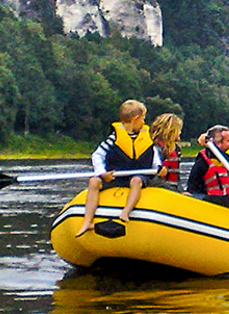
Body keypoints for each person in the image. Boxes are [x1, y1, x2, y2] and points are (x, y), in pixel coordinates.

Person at [77, 99, 161, 235]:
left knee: (136, 181)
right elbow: (97, 155)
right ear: (136, 118)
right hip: (116, 175)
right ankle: (87, 221)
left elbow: (155, 158)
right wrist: (102, 173)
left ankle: (126, 212)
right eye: (143, 118)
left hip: (137, 175)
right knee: (94, 182)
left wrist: (159, 168)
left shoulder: (147, 138)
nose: (144, 122)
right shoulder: (113, 138)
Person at [187, 124, 229, 202]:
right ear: (218, 144)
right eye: (228, 140)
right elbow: (193, 190)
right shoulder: (202, 163)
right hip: (214, 202)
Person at [148, 112, 183, 190]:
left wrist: (181, 191)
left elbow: (177, 178)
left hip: (173, 188)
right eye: (179, 130)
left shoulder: (176, 149)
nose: (180, 132)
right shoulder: (154, 148)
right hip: (160, 188)